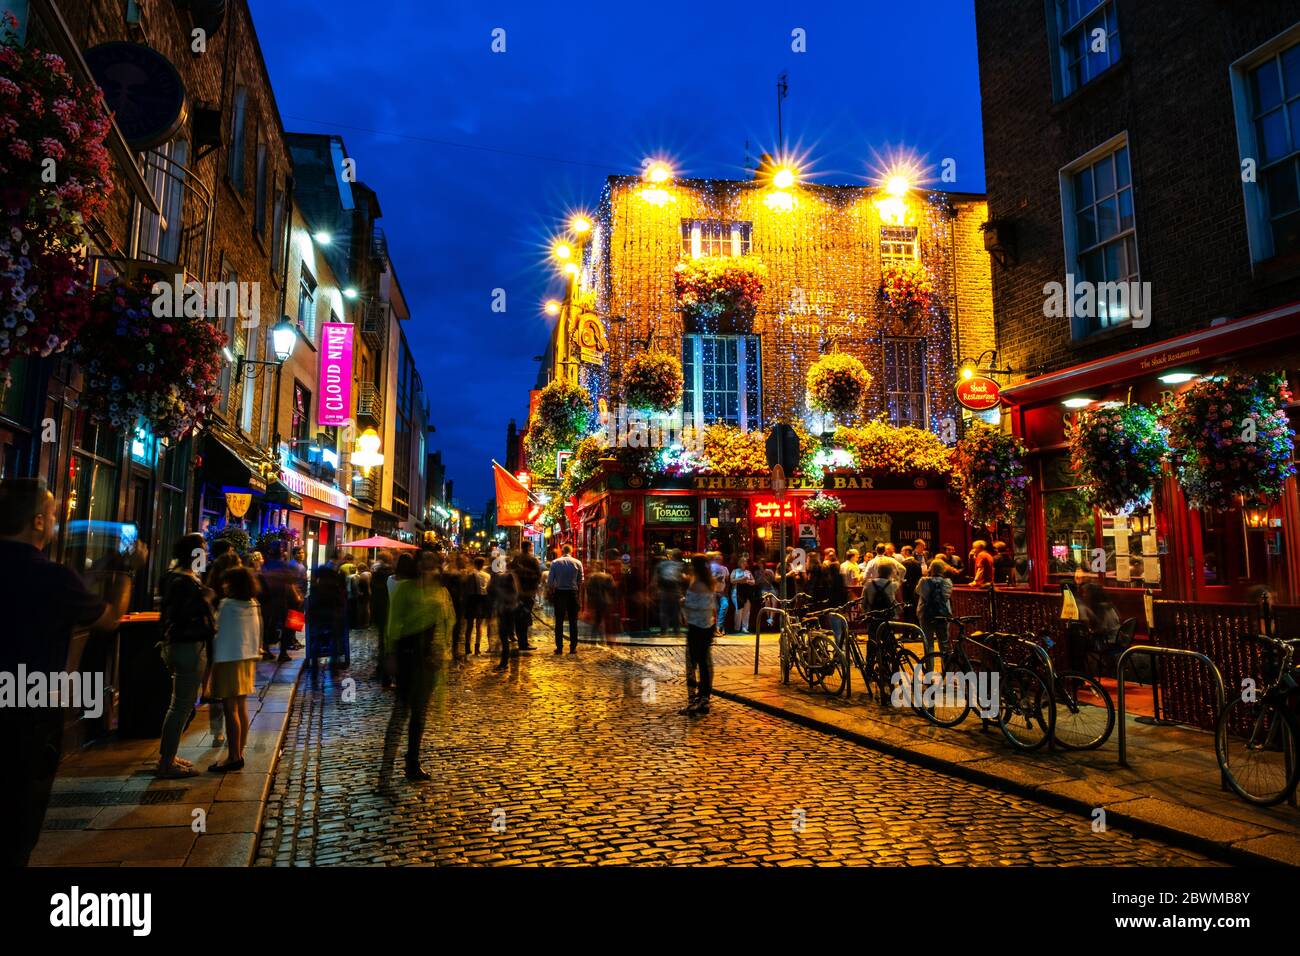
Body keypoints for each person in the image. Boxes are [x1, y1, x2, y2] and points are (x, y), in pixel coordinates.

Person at [0, 478, 129, 866]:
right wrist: (125, 575)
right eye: (54, 514)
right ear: (37, 521)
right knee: (16, 824)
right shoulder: (52, 577)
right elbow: (108, 619)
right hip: (28, 709)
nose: (58, 520)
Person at [382, 553, 449, 782]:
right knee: (400, 712)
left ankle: (412, 763)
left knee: (419, 714)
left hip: (428, 656)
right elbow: (393, 623)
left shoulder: (440, 591)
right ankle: (387, 764)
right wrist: (390, 653)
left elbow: (444, 621)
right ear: (418, 566)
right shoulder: (405, 589)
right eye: (426, 563)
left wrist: (440, 649)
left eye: (434, 564)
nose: (430, 568)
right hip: (407, 653)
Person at [157, 532, 217, 779]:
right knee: (181, 706)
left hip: (180, 645)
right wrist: (205, 599)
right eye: (202, 549)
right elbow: (183, 614)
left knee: (178, 704)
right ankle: (166, 763)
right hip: (188, 646)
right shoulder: (184, 582)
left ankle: (168, 756)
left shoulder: (176, 576)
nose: (206, 553)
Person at [209, 566, 262, 773]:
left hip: (228, 659)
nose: (224, 585)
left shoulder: (227, 605)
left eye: (227, 582)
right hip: (247, 659)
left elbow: (217, 630)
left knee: (230, 710)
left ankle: (233, 756)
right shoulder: (253, 604)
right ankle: (239, 752)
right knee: (242, 707)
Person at [681, 555, 719, 716]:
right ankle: (704, 698)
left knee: (692, 663)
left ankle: (693, 700)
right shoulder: (710, 583)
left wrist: (683, 602)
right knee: (705, 663)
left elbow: (697, 605)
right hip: (707, 627)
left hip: (696, 627)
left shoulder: (696, 584)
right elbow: (712, 607)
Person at [547, 544, 584, 654]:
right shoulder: (577, 563)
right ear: (571, 551)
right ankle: (573, 647)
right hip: (572, 594)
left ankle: (559, 647)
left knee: (559, 621)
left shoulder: (555, 563)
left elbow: (550, 582)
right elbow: (580, 581)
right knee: (573, 621)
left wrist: (553, 589)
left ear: (562, 551)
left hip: (560, 593)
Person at [916, 559, 954, 659]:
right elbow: (946, 597)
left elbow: (918, 591)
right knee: (944, 643)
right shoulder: (947, 582)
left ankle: (930, 670)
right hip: (942, 614)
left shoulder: (923, 581)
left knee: (928, 643)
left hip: (925, 613)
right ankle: (947, 669)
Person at [490, 554, 520, 669]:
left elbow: (492, 593)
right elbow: (516, 593)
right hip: (510, 608)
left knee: (503, 635)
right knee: (505, 634)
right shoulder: (510, 576)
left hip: (503, 608)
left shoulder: (499, 577)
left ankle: (504, 661)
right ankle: (505, 659)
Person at [370, 551, 394, 685]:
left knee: (381, 640)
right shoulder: (391, 574)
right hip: (389, 609)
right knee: (388, 642)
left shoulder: (375, 573)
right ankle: (386, 671)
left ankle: (380, 666)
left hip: (378, 609)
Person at [513, 550, 542, 651]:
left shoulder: (516, 560)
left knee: (518, 618)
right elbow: (538, 575)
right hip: (527, 594)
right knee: (524, 618)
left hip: (516, 594)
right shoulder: (533, 560)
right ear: (529, 547)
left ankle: (522, 641)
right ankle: (523, 643)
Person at [654, 550, 686, 637]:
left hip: (664, 591)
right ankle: (677, 632)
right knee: (676, 612)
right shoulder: (679, 565)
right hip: (675, 591)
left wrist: (656, 588)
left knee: (664, 612)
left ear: (671, 556)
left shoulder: (662, 564)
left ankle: (663, 632)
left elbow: (656, 577)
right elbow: (683, 578)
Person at [585, 560, 615, 641]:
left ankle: (594, 638)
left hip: (596, 601)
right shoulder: (608, 577)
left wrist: (590, 601)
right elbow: (613, 590)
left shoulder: (591, 577)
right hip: (606, 601)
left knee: (597, 620)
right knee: (606, 620)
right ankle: (605, 639)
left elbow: (589, 590)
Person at [469, 555, 491, 654]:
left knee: (470, 625)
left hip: (472, 599)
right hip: (483, 600)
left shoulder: (470, 574)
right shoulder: (487, 576)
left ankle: (467, 646)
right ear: (483, 565)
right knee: (479, 626)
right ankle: (477, 648)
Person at [729, 555, 756, 634]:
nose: (745, 563)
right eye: (743, 561)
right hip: (737, 592)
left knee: (747, 611)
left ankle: (744, 628)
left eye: (745, 561)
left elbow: (753, 582)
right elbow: (732, 581)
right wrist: (741, 580)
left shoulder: (748, 572)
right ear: (739, 563)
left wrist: (747, 581)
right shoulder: (735, 571)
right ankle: (737, 628)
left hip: (747, 593)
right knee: (739, 610)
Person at [708, 551, 730, 635]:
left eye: (720, 559)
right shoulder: (711, 567)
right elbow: (708, 580)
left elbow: (727, 582)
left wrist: (726, 592)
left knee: (725, 605)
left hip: (722, 592)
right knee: (715, 609)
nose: (718, 560)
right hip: (713, 592)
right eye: (717, 559)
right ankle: (718, 629)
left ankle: (719, 626)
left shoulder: (725, 569)